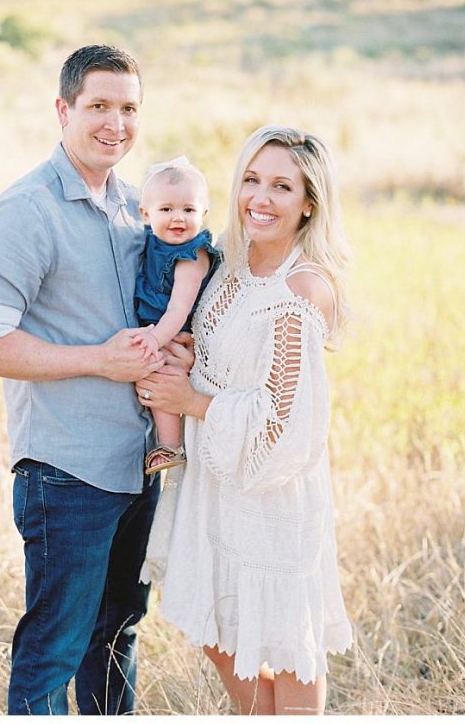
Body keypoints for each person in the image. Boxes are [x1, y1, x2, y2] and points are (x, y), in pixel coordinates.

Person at [0, 45, 194, 716]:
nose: (115, 123)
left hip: (134, 468)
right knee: (53, 652)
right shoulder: (26, 211)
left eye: (128, 108)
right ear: (63, 109)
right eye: (98, 106)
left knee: (115, 635)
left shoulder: (133, 205)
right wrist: (97, 360)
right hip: (66, 473)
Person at [136, 125, 354, 716]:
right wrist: (187, 361)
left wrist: (190, 402)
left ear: (309, 202)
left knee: (283, 647)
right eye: (252, 180)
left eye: (282, 186)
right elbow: (221, 356)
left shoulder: (302, 290)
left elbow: (286, 425)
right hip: (216, 484)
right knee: (214, 630)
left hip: (273, 496)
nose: (260, 197)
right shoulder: (229, 265)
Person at [130, 157, 220, 476]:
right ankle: (164, 441)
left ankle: (170, 446)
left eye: (189, 210)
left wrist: (153, 338)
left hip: (174, 332)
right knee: (149, 377)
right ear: (146, 214)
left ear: (203, 213)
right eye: (166, 210)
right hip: (157, 327)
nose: (178, 218)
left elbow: (179, 308)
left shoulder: (191, 255)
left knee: (160, 375)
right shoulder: (152, 242)